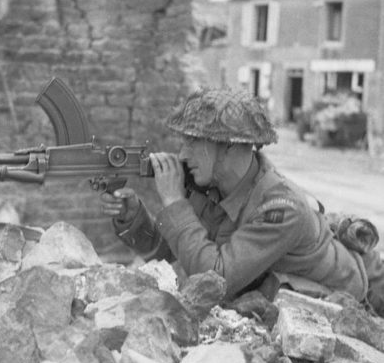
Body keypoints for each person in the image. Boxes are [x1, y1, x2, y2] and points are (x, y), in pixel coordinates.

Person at [101, 88, 384, 316]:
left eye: (192, 143)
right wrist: (134, 218)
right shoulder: (210, 186)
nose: (183, 155)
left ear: (229, 147)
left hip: (360, 299)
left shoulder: (281, 208)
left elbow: (215, 281)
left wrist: (175, 201)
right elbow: (176, 252)